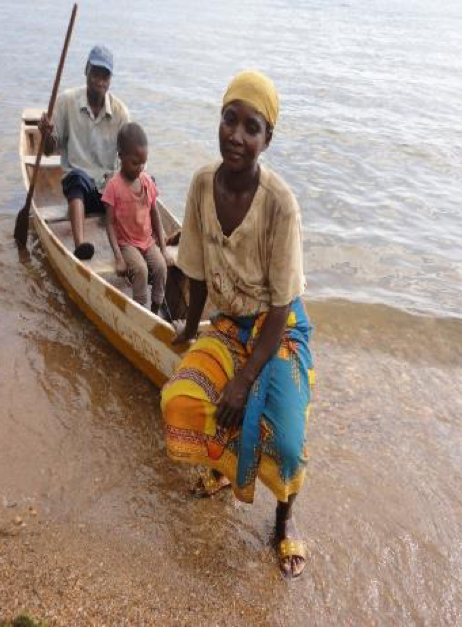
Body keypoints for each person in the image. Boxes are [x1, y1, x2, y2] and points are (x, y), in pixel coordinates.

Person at [160, 70, 314, 578]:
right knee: (179, 399)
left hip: (279, 327)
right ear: (219, 120)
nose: (237, 136)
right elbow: (196, 271)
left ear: (267, 139)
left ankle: (284, 522)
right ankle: (224, 471)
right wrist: (188, 331)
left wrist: (244, 380)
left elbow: (278, 306)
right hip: (230, 321)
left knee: (287, 443)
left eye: (252, 127)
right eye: (230, 120)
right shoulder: (203, 183)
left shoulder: (281, 206)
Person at [38, 45, 130, 260]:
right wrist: (45, 135)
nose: (99, 81)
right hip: (78, 190)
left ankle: (141, 242)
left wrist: (124, 186)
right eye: (95, 73)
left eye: (104, 76)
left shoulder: (120, 113)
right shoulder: (66, 101)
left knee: (143, 182)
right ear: (86, 70)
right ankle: (80, 245)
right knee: (77, 176)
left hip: (107, 190)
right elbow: (49, 150)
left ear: (110, 80)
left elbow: (128, 158)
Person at [102, 123, 173, 313]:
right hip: (126, 243)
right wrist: (118, 257)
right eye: (135, 162)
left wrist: (164, 249)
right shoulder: (113, 186)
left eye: (143, 163)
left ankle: (156, 309)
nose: (140, 168)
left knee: (161, 267)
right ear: (121, 156)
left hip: (147, 241)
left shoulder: (147, 181)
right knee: (141, 270)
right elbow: (109, 223)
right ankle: (140, 310)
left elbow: (155, 213)